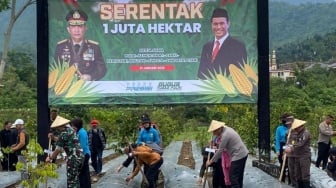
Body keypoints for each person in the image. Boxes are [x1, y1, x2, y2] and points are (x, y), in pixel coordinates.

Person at [54, 9, 107, 81]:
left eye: (80, 26)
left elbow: (102, 69)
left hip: (87, 87)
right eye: (73, 27)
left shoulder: (94, 47)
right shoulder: (61, 46)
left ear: (85, 28)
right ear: (68, 29)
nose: (77, 30)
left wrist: (90, 76)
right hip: (66, 87)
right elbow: (55, 69)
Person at [197, 8, 247, 79]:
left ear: (228, 24)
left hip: (228, 89)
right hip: (207, 88)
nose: (218, 27)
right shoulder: (206, 47)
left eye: (221, 23)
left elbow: (241, 74)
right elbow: (201, 74)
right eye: (215, 24)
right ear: (211, 25)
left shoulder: (238, 46)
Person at [206, 120, 248, 188]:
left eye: (214, 131)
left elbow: (220, 151)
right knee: (238, 178)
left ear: (219, 129)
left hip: (238, 155)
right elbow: (222, 146)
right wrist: (213, 143)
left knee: (233, 178)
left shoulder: (226, 135)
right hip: (242, 154)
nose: (214, 133)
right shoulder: (226, 129)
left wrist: (210, 161)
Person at [46, 116, 84, 188]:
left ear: (60, 126)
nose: (57, 129)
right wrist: (53, 137)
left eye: (58, 128)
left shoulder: (63, 134)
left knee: (71, 181)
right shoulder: (71, 130)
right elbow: (63, 141)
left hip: (73, 158)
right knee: (75, 179)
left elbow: (58, 149)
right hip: (80, 157)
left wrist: (50, 157)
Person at [284, 119, 311, 188]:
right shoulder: (296, 133)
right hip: (297, 156)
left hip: (304, 156)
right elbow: (291, 142)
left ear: (300, 126)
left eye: (296, 128)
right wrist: (287, 149)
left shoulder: (305, 133)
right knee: (297, 174)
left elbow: (300, 144)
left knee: (305, 174)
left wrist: (291, 148)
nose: (295, 129)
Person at [71, 118, 91, 188]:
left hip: (83, 155)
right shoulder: (81, 131)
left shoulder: (81, 133)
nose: (72, 127)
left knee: (83, 174)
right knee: (84, 173)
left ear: (76, 125)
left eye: (73, 125)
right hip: (85, 154)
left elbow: (82, 146)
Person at [275, 113, 293, 184]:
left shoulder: (293, 128)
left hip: (291, 146)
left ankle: (290, 182)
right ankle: (281, 181)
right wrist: (278, 150)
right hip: (283, 146)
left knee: (290, 166)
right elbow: (277, 139)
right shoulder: (279, 129)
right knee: (283, 164)